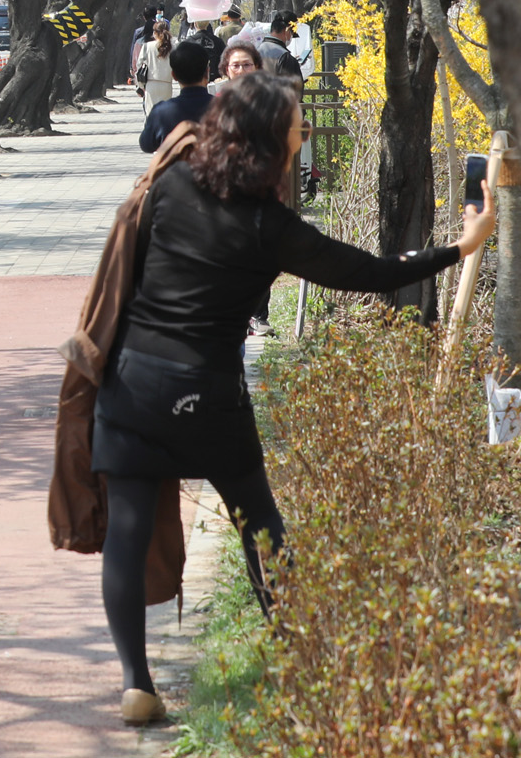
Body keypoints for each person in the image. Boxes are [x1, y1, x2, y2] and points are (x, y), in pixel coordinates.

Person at [95, 71, 493, 725]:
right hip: (210, 393)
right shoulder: (270, 226)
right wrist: (460, 246)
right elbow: (371, 272)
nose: (302, 132)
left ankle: (136, 681)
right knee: (261, 527)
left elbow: (129, 276)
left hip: (135, 383)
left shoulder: (168, 186)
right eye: (294, 124)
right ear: (266, 141)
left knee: (128, 531)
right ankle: (302, 658)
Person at [137, 43, 211, 153]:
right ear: (207, 72)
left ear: (174, 75)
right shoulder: (225, 107)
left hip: (174, 169)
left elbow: (147, 145)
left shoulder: (161, 112)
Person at [134, 21, 174, 115]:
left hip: (151, 84)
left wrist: (140, 85)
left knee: (151, 115)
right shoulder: (172, 47)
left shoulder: (147, 46)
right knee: (165, 115)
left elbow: (139, 65)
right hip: (167, 84)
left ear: (155, 32)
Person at [259, 11, 306, 83]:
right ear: (287, 31)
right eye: (292, 34)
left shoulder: (257, 50)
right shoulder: (285, 57)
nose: (291, 37)